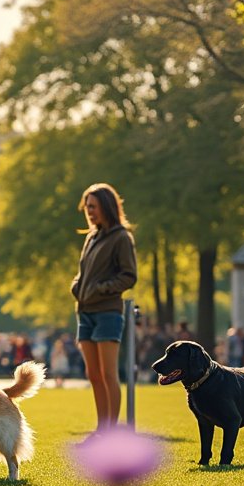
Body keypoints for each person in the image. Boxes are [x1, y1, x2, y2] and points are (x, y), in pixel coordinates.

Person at [70, 182, 138, 430]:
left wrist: (102, 289)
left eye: (94, 206)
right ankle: (101, 430)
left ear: (107, 207)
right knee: (93, 375)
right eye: (87, 206)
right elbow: (84, 272)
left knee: (109, 374)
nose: (89, 211)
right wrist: (77, 286)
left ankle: (111, 432)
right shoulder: (91, 237)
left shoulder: (121, 237)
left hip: (108, 312)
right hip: (85, 312)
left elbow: (129, 276)